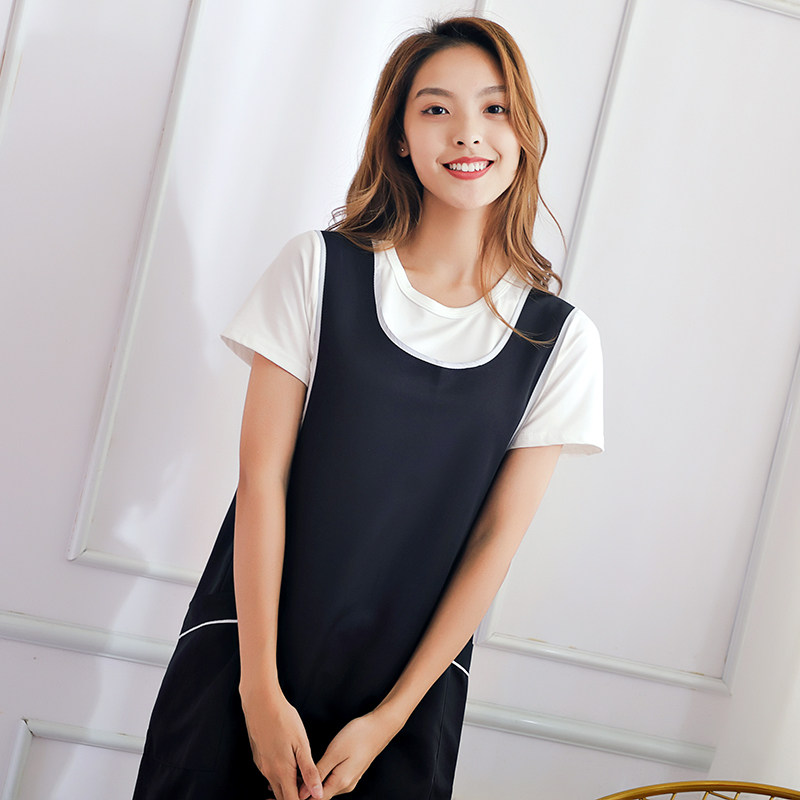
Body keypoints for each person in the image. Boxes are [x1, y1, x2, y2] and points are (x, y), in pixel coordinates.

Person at [132, 15, 603, 800]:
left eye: (494, 108)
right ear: (399, 138)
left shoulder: (559, 342)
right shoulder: (317, 270)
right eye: (436, 108)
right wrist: (258, 689)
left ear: (522, 132)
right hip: (246, 665)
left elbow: (493, 543)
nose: (467, 132)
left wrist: (388, 720)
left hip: (403, 706)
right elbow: (262, 481)